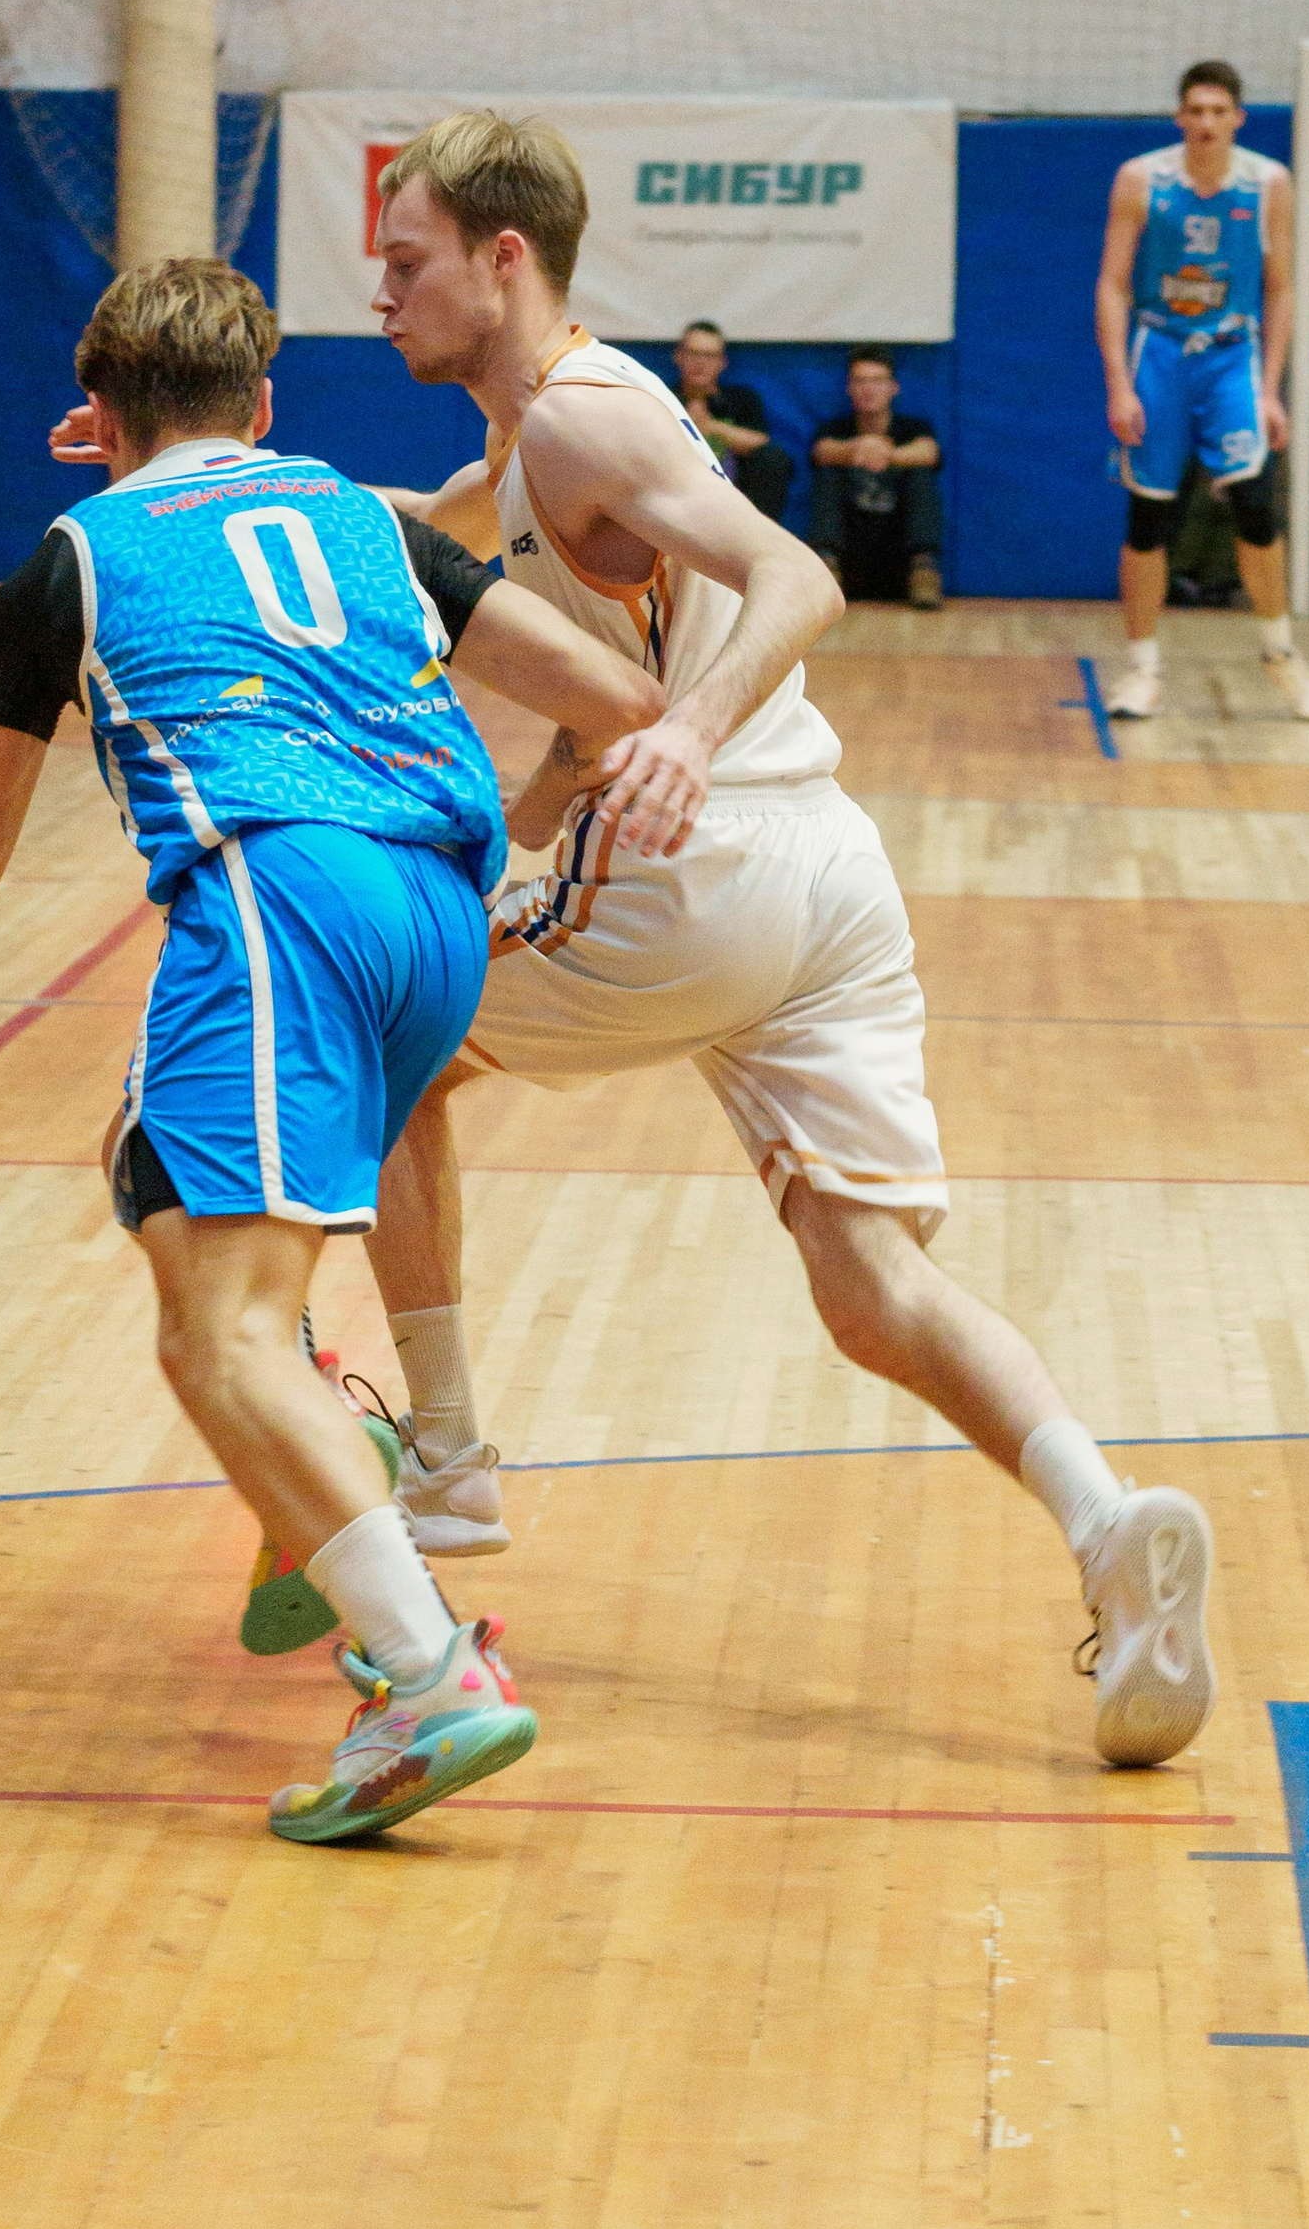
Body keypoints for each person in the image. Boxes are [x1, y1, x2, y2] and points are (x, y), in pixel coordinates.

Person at [0, 256, 670, 1849]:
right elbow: (617, 696)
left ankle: (423, 1669)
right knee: (160, 1172)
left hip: (283, 898)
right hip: (441, 923)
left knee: (216, 1338)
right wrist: (523, 817)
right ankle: (337, 1434)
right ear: (261, 405)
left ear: (101, 413)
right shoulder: (368, 518)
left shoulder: (71, 563)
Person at [366, 112, 1215, 1772]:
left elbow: (799, 574)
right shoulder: (538, 436)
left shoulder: (589, 416)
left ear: (503, 258)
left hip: (709, 867)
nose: (381, 293)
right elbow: (412, 519)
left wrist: (684, 735)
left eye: (407, 262)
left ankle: (447, 1465)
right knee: (871, 1286)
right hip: (826, 874)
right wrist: (182, 467)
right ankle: (1111, 1526)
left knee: (379, 1031)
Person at [1095, 58, 1309, 723]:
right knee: (1148, 517)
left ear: (1238, 118)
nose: (1205, 122)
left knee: (1256, 506)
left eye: (1217, 111)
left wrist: (1271, 389)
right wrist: (1119, 384)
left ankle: (1281, 654)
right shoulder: (1142, 179)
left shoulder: (1268, 182)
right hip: (1160, 352)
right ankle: (1142, 669)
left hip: (1232, 355)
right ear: (1179, 117)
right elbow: (1112, 283)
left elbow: (1280, 289)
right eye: (1195, 111)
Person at [811, 345, 945, 609]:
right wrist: (858, 447)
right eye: (860, 381)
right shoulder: (835, 429)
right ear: (849, 388)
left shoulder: (913, 428)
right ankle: (827, 570)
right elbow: (822, 451)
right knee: (827, 473)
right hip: (850, 557)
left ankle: (924, 571)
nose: (868, 389)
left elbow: (929, 452)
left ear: (894, 387)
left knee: (921, 473)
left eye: (877, 381)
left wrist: (887, 453)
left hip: (899, 556)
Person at [669, 319, 793, 523]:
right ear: (678, 357)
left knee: (773, 458)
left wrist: (710, 426)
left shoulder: (741, 398)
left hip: (737, 494)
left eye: (709, 356)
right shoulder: (661, 397)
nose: (700, 363)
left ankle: (759, 532)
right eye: (693, 354)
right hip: (676, 491)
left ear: (723, 362)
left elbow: (760, 442)